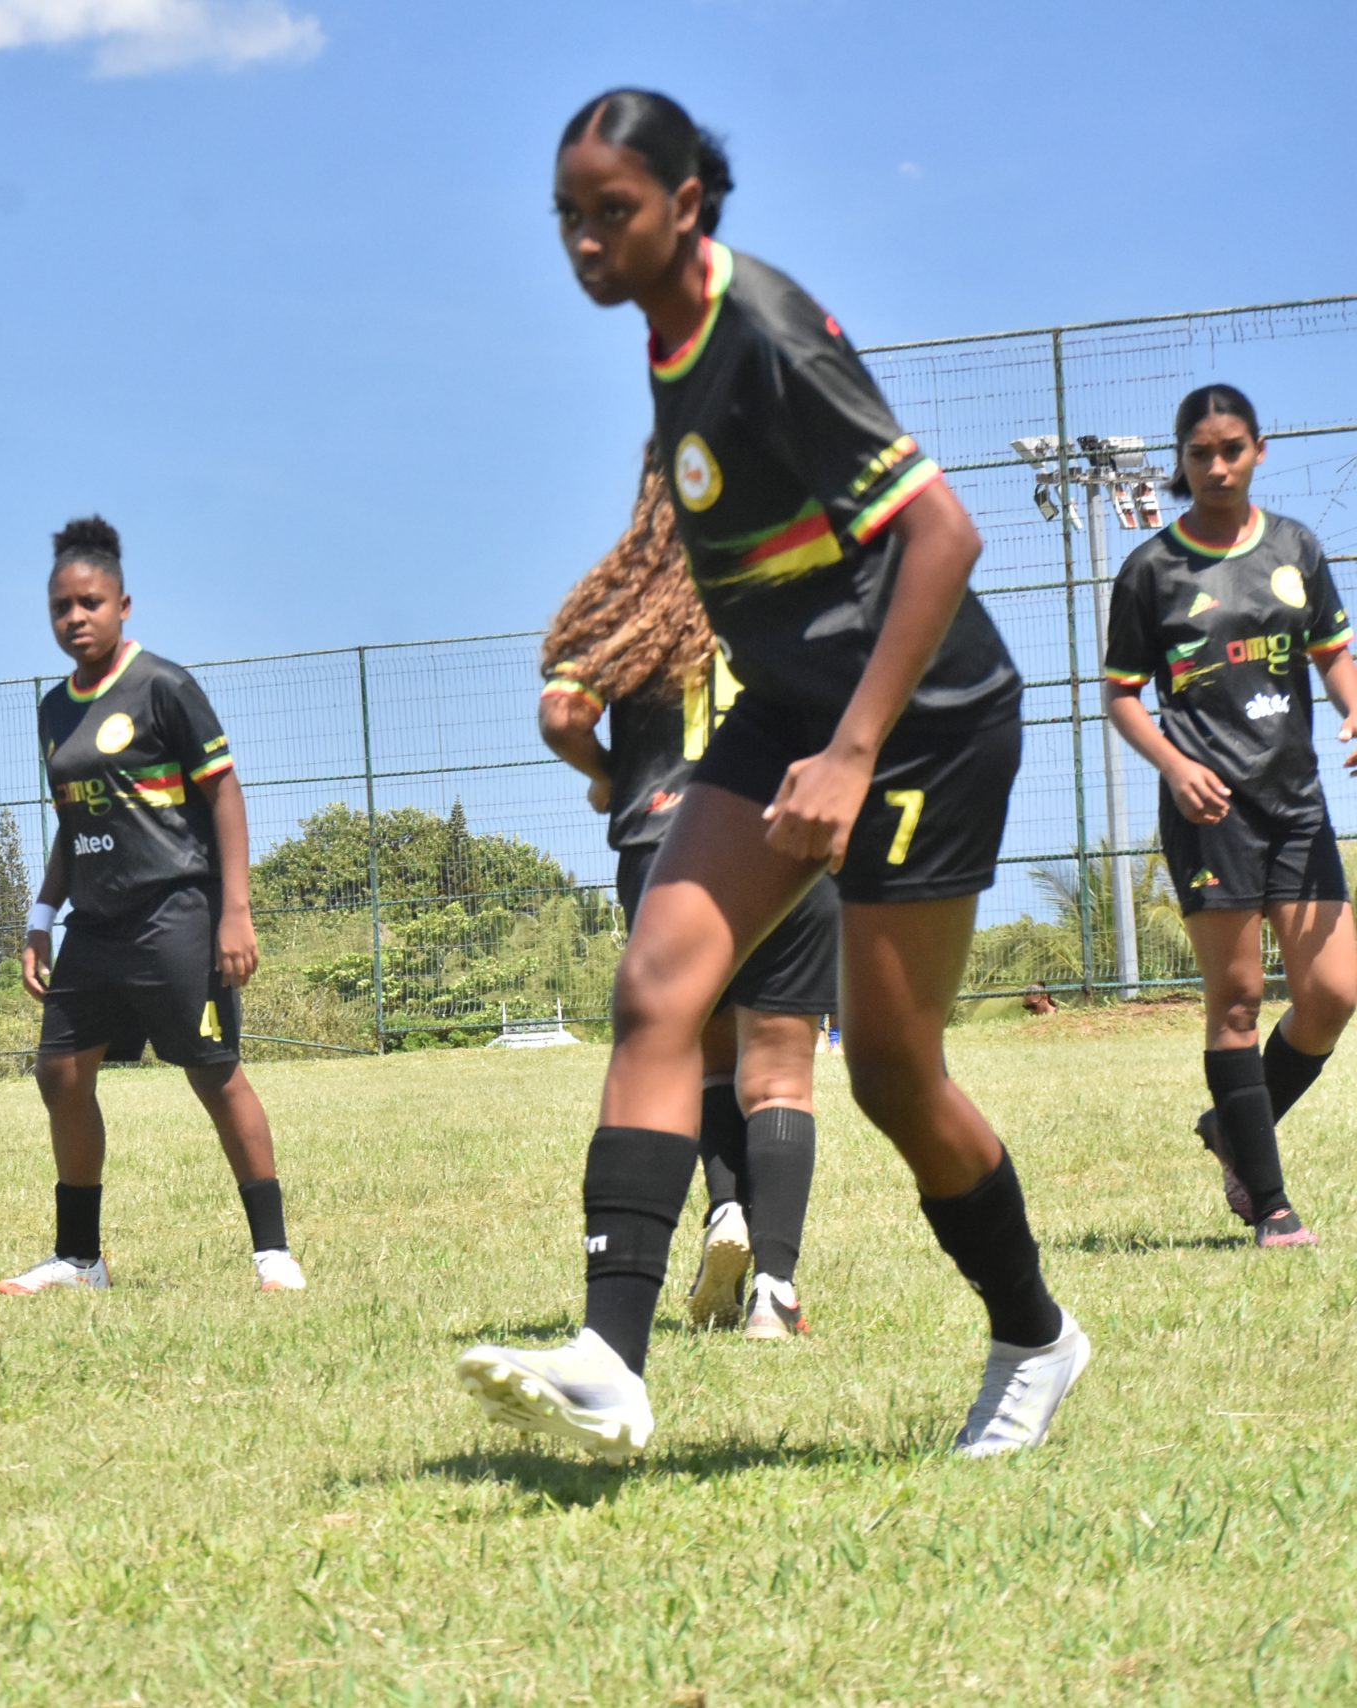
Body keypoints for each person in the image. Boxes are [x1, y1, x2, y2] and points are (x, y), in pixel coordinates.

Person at [458, 89, 1086, 1460]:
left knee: (894, 1079)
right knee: (655, 990)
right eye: (565, 217)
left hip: (922, 723)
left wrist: (853, 754)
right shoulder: (666, 340)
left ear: (686, 202)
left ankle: (1035, 1336)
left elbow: (944, 535)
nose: (583, 241)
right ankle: (611, 1362)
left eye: (611, 212)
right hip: (784, 713)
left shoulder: (764, 330)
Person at [539, 446, 836, 1339]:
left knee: (699, 1053)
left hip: (665, 846)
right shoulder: (794, 576)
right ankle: (774, 1292)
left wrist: (609, 776)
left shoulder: (627, 594)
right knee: (779, 1075)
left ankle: (725, 1209)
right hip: (786, 839)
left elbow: (562, 712)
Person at [0, 516, 305, 1296]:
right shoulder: (53, 711)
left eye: (91, 603)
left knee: (213, 1073)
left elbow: (224, 795)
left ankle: (273, 1253)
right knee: (60, 1074)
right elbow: (74, 823)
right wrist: (41, 918)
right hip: (95, 926)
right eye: (62, 607)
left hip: (177, 913)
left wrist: (235, 911)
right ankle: (80, 1260)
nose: (76, 618)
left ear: (123, 605)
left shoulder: (164, 687)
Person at [1103, 384, 1353, 1249]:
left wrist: (1355, 707)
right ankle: (1272, 1207)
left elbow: (1333, 652)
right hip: (1211, 813)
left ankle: (1232, 1127)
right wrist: (1175, 768)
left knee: (1334, 993)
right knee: (1238, 1000)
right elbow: (1122, 695)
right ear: (1181, 460)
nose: (1217, 466)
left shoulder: (1295, 548)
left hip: (1297, 803)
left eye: (1232, 449)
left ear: (1258, 451)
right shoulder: (1151, 570)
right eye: (1200, 453)